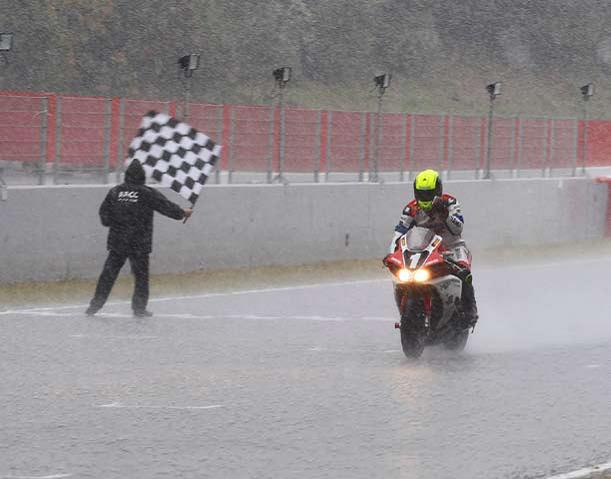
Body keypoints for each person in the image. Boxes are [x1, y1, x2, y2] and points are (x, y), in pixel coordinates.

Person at [86, 159, 192, 317]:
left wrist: (115, 223)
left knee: (108, 275)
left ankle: (94, 306)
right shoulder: (146, 192)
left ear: (127, 176)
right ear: (142, 176)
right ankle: (139, 308)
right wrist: (183, 213)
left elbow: (104, 216)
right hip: (139, 242)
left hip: (118, 242)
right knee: (141, 277)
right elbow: (166, 207)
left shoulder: (115, 191)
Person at [384, 169, 478, 328]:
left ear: (438, 191)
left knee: (464, 272)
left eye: (428, 194)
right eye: (421, 194)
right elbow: (399, 233)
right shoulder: (411, 209)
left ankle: (470, 311)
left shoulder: (450, 202)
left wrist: (445, 215)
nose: (424, 199)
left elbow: (458, 228)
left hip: (451, 247)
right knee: (402, 274)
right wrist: (391, 253)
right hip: (423, 249)